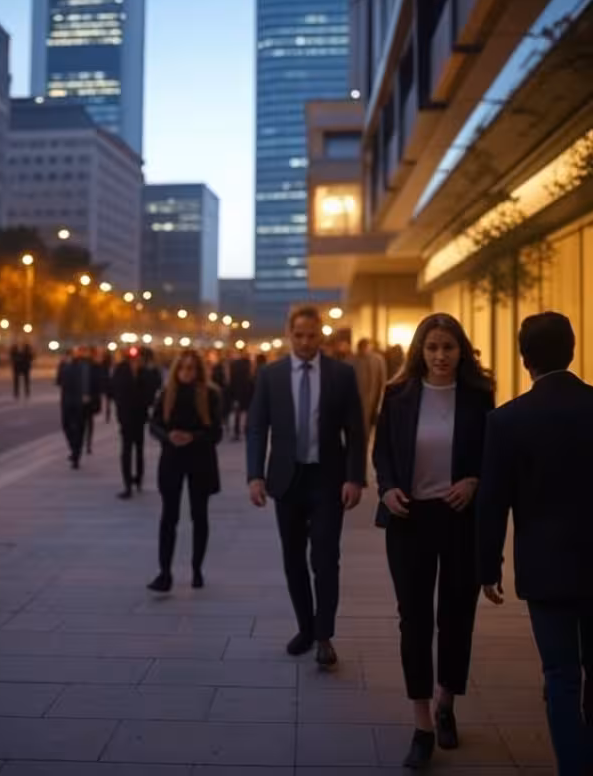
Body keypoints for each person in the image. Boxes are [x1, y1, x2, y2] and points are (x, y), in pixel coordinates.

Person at [372, 313, 495, 769]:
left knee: (457, 616)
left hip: (459, 519)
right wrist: (385, 487)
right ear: (419, 352)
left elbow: (491, 453)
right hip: (410, 519)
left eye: (448, 347)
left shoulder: (480, 396)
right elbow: (381, 450)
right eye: (432, 348)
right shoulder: (398, 395)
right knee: (415, 620)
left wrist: (475, 480)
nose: (440, 355)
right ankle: (422, 721)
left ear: (461, 350)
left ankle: (447, 702)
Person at [478, 312, 593, 775]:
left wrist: (487, 568)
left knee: (561, 676)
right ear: (573, 349)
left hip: (546, 569)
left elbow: (492, 502)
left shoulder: (508, 422)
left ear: (525, 359)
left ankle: (573, 767)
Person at [246, 305, 366, 668]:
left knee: (326, 559)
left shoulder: (341, 375)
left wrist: (355, 477)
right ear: (289, 334)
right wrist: (255, 475)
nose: (304, 341)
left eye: (311, 335)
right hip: (287, 479)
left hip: (328, 480)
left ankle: (325, 636)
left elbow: (356, 431)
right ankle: (306, 627)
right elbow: (256, 427)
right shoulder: (271, 375)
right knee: (293, 558)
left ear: (321, 335)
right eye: (298, 335)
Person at [147, 350, 222, 593]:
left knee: (199, 516)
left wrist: (193, 437)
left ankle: (196, 569)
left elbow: (216, 433)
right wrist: (168, 436)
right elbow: (154, 424)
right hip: (172, 459)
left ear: (199, 371)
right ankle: (165, 572)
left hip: (200, 460)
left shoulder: (210, 395)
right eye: (183, 368)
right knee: (169, 517)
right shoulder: (166, 394)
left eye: (191, 368)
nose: (186, 372)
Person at [109, 347, 159, 498]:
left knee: (139, 448)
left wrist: (143, 374)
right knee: (126, 449)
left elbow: (154, 390)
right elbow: (113, 389)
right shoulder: (121, 369)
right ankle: (127, 484)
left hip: (140, 415)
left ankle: (139, 478)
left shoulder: (148, 371)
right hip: (125, 415)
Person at [58, 346, 100, 469]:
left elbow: (95, 383)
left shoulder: (89, 366)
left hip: (81, 402)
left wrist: (89, 397)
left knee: (79, 429)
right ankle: (74, 448)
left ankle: (76, 454)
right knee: (66, 426)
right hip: (67, 401)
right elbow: (60, 381)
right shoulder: (66, 365)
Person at [350, 337, 387, 445]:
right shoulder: (352, 360)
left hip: (371, 399)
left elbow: (382, 380)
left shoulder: (378, 360)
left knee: (368, 429)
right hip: (359, 400)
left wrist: (380, 401)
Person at [229, 350, 254, 442]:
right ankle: (245, 430)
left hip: (238, 394)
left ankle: (237, 431)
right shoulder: (247, 369)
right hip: (245, 394)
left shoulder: (235, 369)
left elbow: (232, 384)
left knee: (238, 414)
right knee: (246, 413)